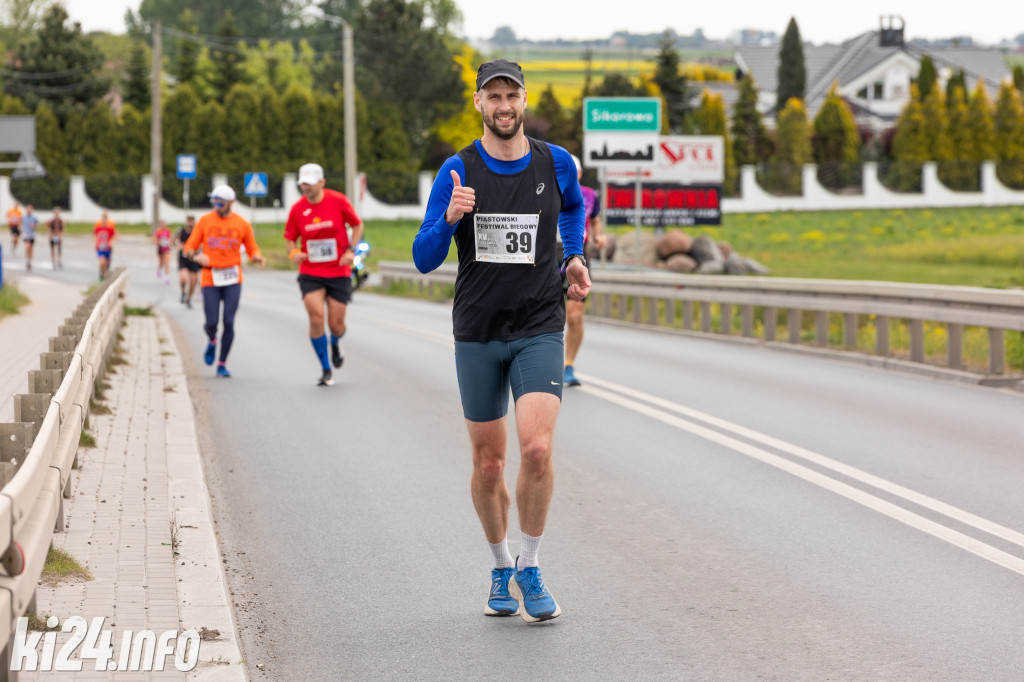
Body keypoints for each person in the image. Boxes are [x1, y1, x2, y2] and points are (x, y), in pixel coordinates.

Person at [413, 58, 590, 623]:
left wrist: (574, 255)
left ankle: (531, 565)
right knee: (489, 464)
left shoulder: (554, 162)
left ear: (524, 100)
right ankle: (499, 564)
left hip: (539, 324)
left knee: (536, 448)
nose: (504, 106)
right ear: (478, 104)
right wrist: (448, 217)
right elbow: (423, 258)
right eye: (493, 96)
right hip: (478, 332)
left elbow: (572, 209)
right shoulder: (457, 171)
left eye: (511, 95)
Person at [284, 163, 364, 387]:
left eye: (310, 184)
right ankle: (326, 368)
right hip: (311, 272)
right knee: (316, 316)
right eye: (303, 184)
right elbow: (290, 239)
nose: (306, 188)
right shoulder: (297, 209)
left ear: (321, 182)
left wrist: (351, 250)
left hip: (338, 270)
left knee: (336, 325)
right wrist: (295, 253)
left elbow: (357, 225)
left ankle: (335, 342)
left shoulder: (338, 201)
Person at [183, 185, 266, 378]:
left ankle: (222, 363)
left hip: (232, 278)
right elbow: (189, 248)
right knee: (211, 322)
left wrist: (257, 257)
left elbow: (252, 248)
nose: (216, 206)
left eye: (219, 202)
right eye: (213, 202)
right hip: (211, 277)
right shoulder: (205, 221)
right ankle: (212, 339)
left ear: (231, 203)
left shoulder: (242, 224)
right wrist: (196, 256)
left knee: (229, 321)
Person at [562, 155, 607, 387]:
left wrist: (599, 235)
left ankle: (568, 364)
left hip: (578, 257)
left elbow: (596, 219)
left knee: (575, 316)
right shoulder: (546, 188)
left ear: (578, 173)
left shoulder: (589, 195)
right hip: (546, 257)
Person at [175, 215, 200, 308]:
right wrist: (179, 245)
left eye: (191, 221)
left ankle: (189, 299)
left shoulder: (197, 232)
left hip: (194, 259)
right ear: (186, 222)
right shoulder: (181, 231)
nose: (190, 223)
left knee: (193, 282)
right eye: (188, 221)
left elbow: (203, 243)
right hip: (183, 259)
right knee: (183, 278)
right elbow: (173, 241)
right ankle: (182, 292)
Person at [94, 212, 117, 281]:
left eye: (105, 219)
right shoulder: (98, 228)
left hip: (108, 248)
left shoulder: (110, 228)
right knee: (102, 261)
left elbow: (115, 235)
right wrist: (96, 242)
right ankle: (101, 275)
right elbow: (94, 235)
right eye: (103, 219)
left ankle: (105, 274)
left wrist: (111, 242)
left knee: (107, 263)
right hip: (100, 248)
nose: (104, 220)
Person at [154, 220, 173, 284]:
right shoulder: (158, 231)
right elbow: (155, 239)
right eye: (163, 225)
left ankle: (166, 277)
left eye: (165, 225)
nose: (164, 226)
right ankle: (159, 269)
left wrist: (169, 242)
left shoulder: (168, 231)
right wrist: (159, 242)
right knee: (161, 262)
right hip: (160, 249)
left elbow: (170, 238)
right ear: (160, 225)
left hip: (167, 249)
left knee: (166, 262)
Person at [20, 204, 38, 271]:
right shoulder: (23, 217)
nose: (29, 210)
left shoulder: (34, 218)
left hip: (32, 234)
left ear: (32, 210)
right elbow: (20, 223)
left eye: (30, 209)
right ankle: (27, 260)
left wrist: (34, 226)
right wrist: (20, 228)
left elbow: (37, 225)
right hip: (25, 234)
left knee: (31, 248)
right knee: (27, 247)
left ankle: (29, 261)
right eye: (28, 209)